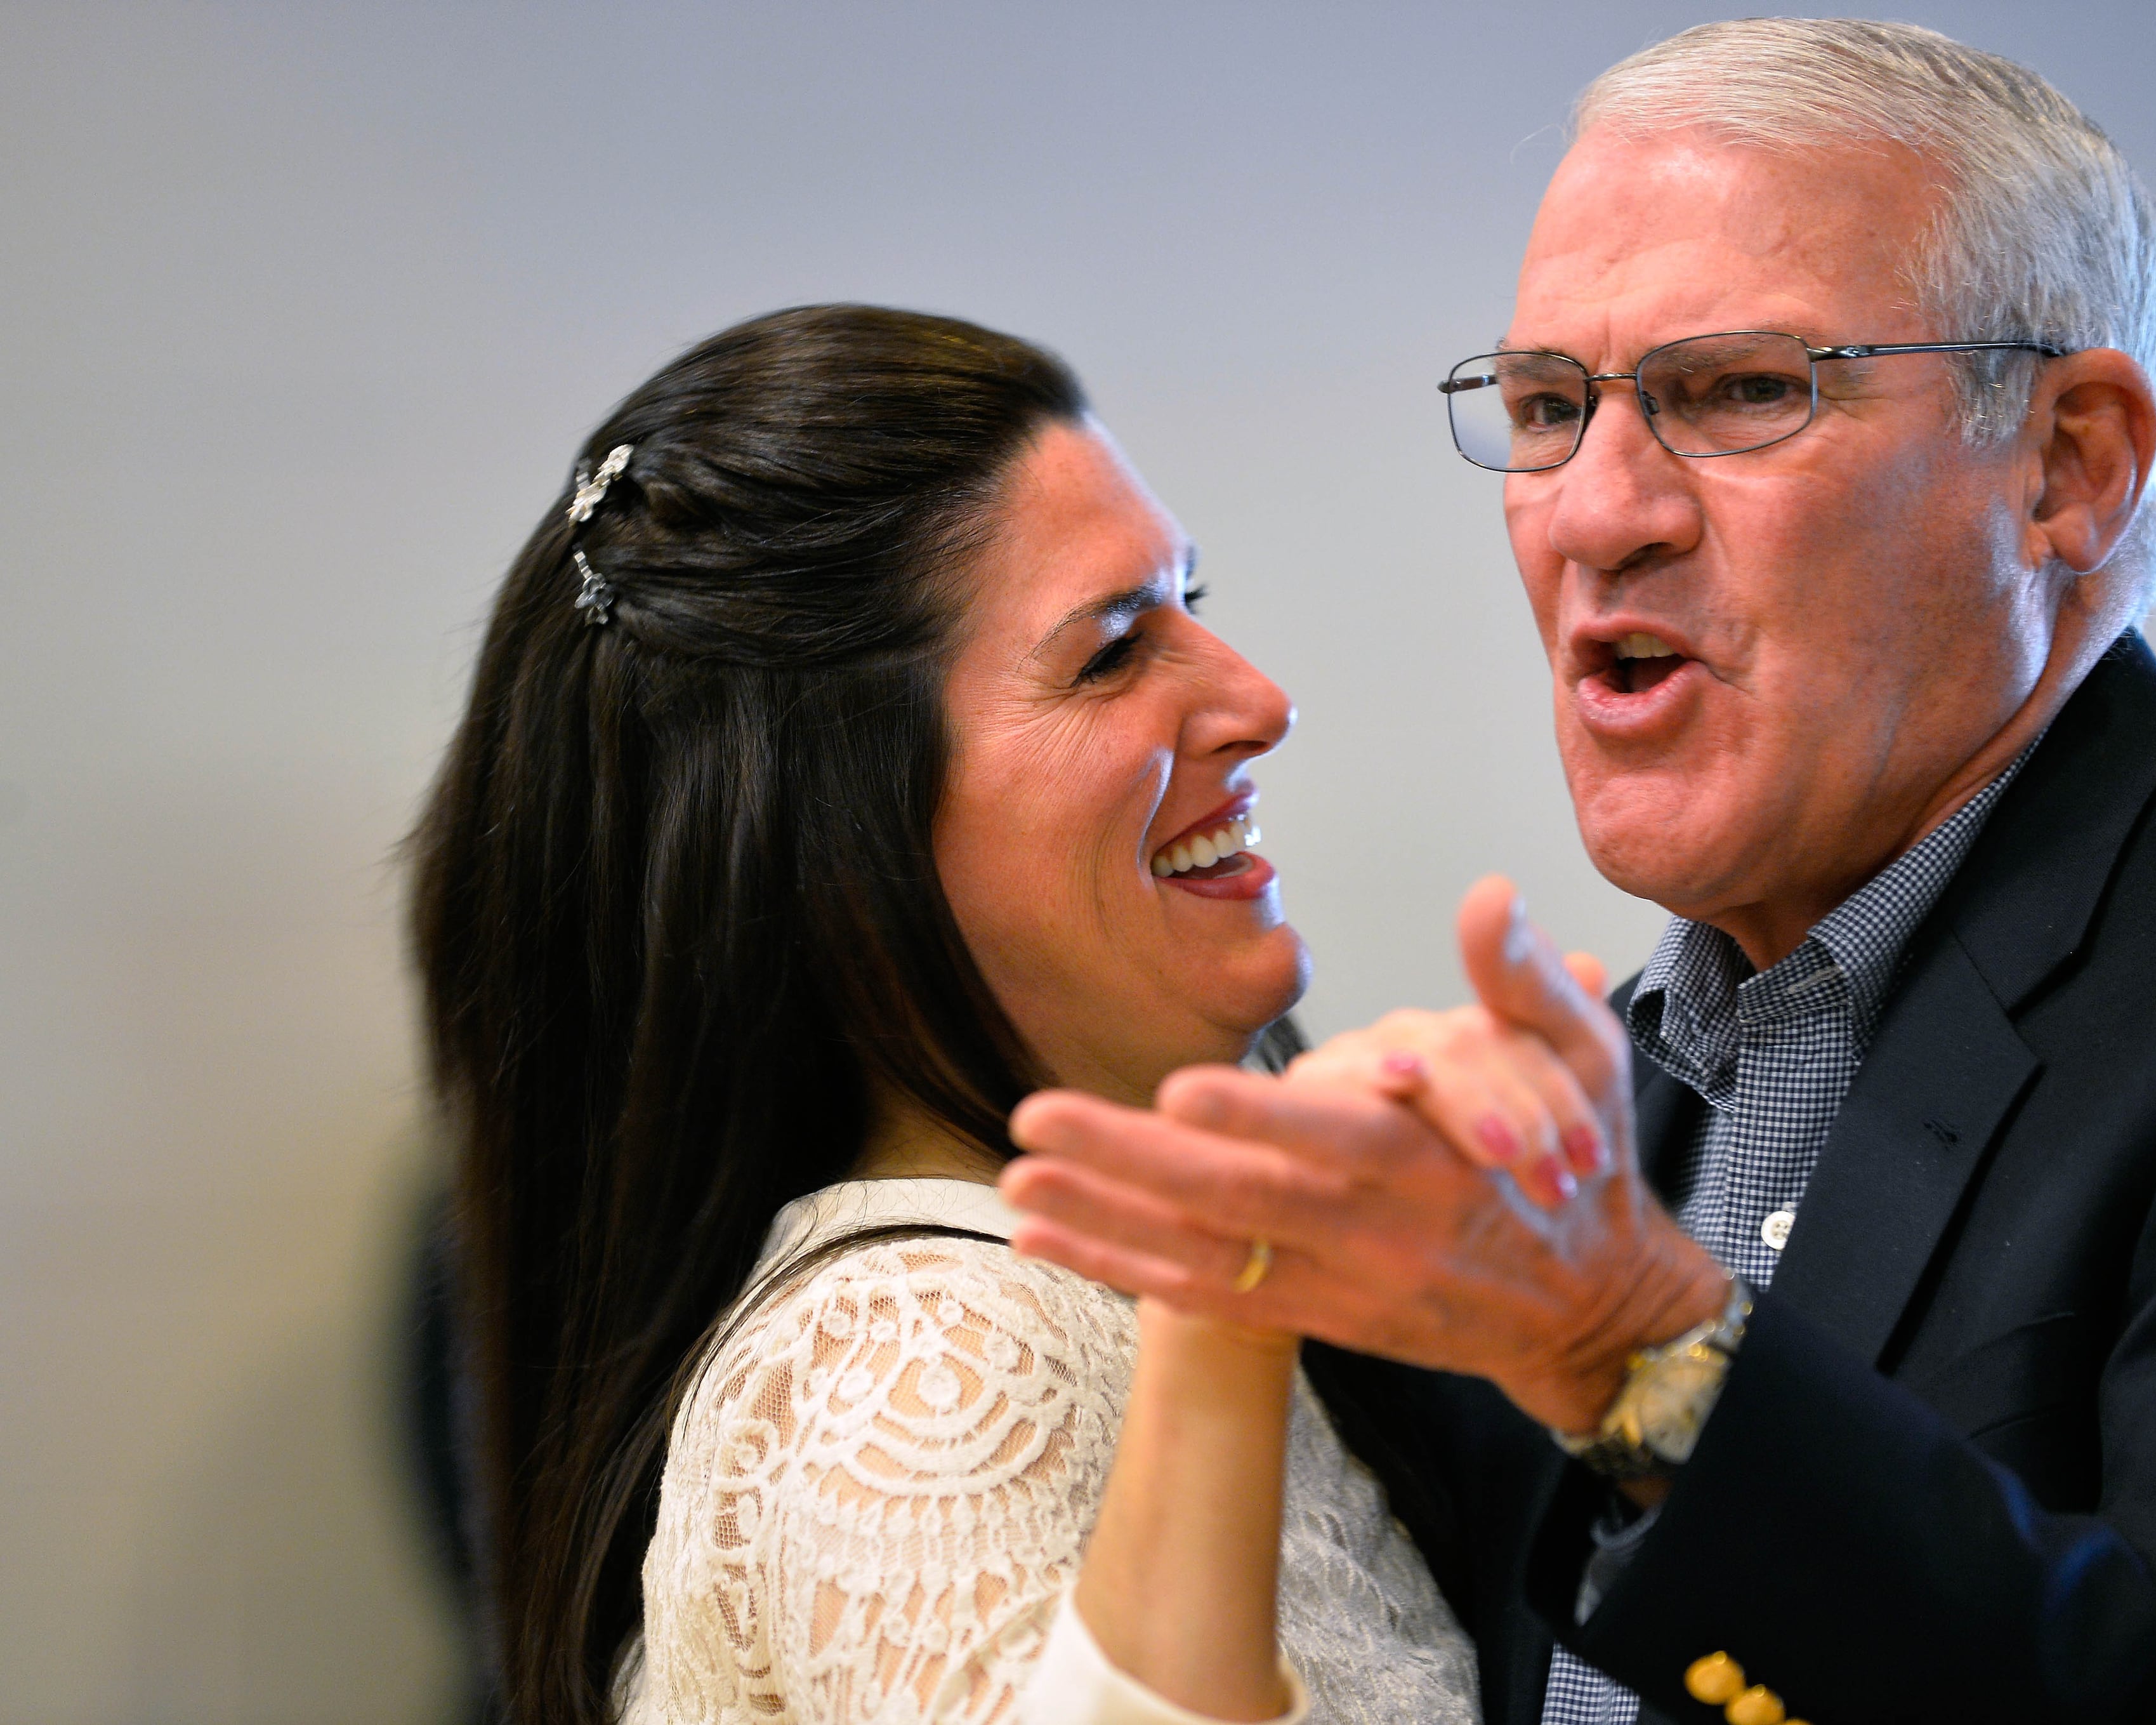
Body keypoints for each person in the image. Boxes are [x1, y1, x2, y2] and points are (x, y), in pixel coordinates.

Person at [997, 20, 2156, 1725]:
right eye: (1546, 407)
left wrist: (1649, 1359)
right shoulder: (1599, 1103)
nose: (1600, 510)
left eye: (1743, 390)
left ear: (2070, 463)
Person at [408, 305, 1480, 1724]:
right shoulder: (921, 1367)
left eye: (1190, 610)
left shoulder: (1048, 1291)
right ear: (843, 845)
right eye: (1109, 653)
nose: (1254, 700)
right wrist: (1231, 1296)